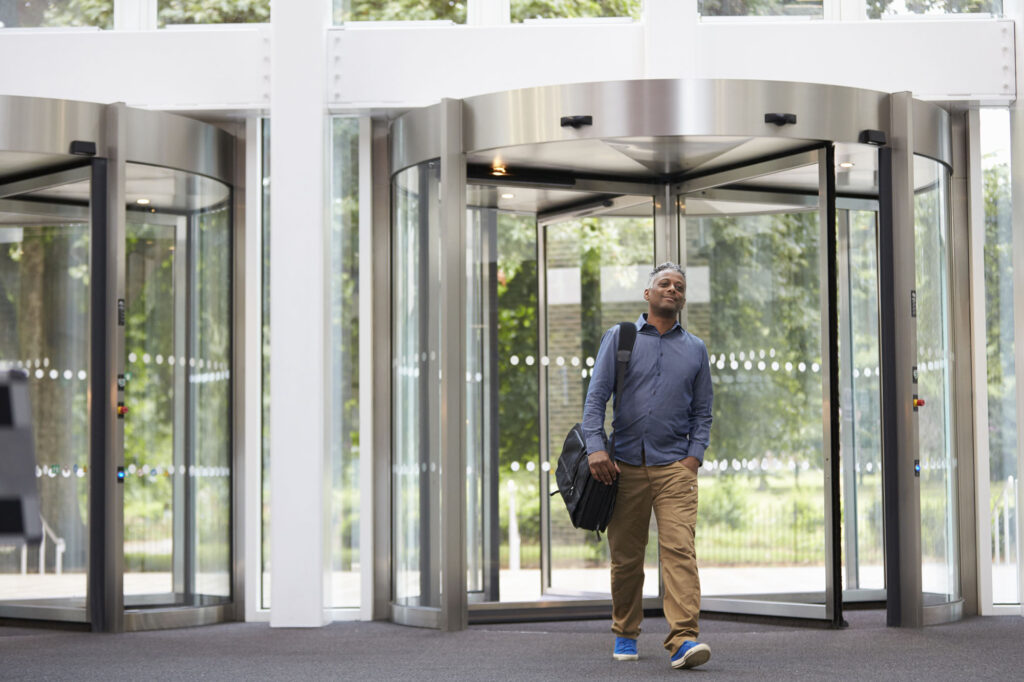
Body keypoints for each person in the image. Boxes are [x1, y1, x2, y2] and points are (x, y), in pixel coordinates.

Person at [582, 262, 713, 670]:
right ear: (648, 293)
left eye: (679, 286)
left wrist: (693, 457)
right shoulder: (620, 337)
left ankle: (683, 639)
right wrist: (595, 448)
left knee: (680, 551)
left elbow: (703, 412)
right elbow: (596, 398)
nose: (673, 289)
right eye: (665, 284)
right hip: (622, 466)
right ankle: (625, 631)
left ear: (683, 299)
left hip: (675, 467)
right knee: (626, 558)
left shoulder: (695, 348)